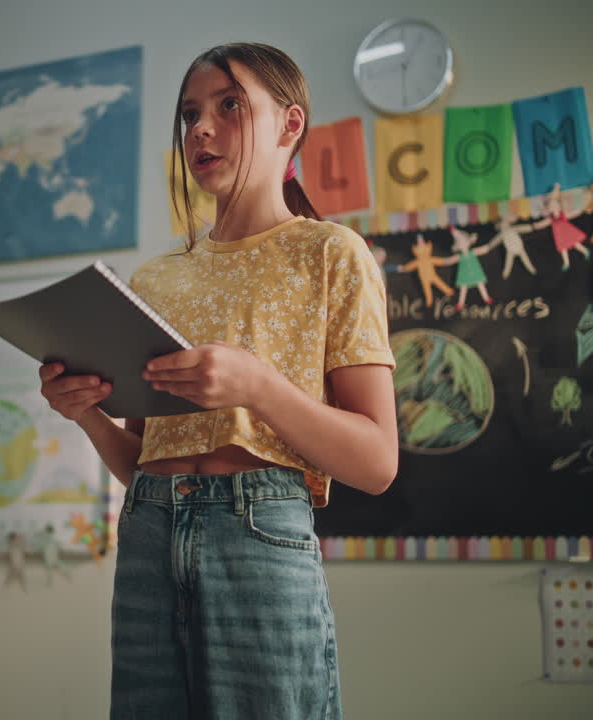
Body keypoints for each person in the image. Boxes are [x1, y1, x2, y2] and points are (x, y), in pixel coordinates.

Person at [39, 43, 397, 719]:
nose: (201, 128)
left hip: (261, 531)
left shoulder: (330, 253)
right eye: (189, 113)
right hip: (147, 529)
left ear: (290, 125)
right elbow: (140, 460)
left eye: (229, 106)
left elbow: (377, 462)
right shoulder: (156, 277)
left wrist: (257, 386)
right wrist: (86, 413)